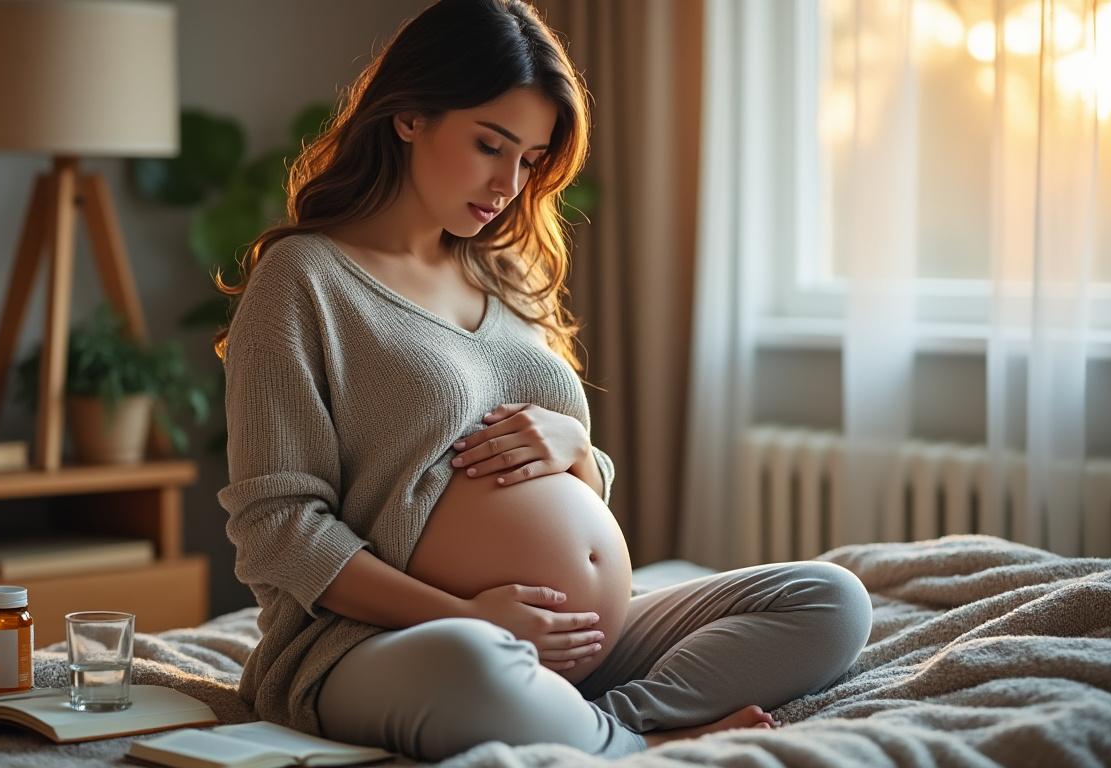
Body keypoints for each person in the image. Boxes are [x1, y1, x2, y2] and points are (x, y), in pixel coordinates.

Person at [213, 0, 874, 761]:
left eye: (528, 159)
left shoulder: (503, 273)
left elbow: (571, 488)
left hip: (580, 634)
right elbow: (280, 530)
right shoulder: (304, 281)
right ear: (409, 117)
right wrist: (469, 615)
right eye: (490, 145)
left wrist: (579, 452)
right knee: (473, 670)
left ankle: (620, 720)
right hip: (385, 640)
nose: (508, 182)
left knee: (831, 601)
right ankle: (626, 736)